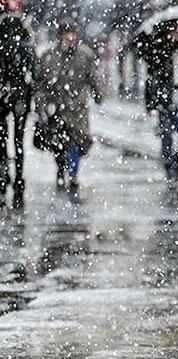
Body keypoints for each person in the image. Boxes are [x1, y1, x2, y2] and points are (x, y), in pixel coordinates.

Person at [37, 17, 102, 192]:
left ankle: (73, 174)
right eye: (67, 34)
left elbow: (92, 77)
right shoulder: (50, 56)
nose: (70, 37)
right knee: (59, 143)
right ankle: (60, 170)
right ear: (60, 35)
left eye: (72, 33)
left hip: (78, 107)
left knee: (78, 142)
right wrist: (41, 105)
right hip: (57, 106)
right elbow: (42, 84)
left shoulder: (84, 55)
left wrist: (97, 93)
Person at [143, 24, 178, 188]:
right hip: (165, 100)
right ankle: (170, 170)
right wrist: (150, 104)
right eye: (172, 30)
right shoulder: (159, 52)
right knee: (166, 136)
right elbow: (151, 79)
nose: (175, 34)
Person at [0, 1, 35, 208]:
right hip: (18, 92)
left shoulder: (19, 25)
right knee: (17, 141)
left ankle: (7, 180)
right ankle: (16, 180)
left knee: (6, 141)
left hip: (9, 92)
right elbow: (31, 64)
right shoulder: (23, 27)